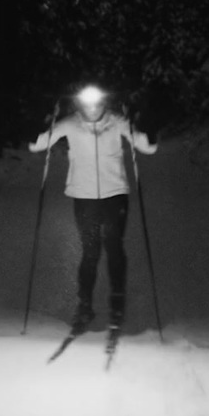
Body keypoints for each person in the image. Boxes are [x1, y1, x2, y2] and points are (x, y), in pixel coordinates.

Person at [28, 84, 157, 328]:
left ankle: (117, 304)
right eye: (87, 103)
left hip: (115, 195)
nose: (92, 108)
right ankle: (84, 306)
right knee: (90, 252)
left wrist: (145, 121)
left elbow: (147, 147)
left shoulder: (117, 122)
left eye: (97, 103)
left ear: (104, 104)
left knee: (114, 249)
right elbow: (37, 145)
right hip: (84, 197)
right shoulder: (69, 123)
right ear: (80, 105)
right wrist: (42, 119)